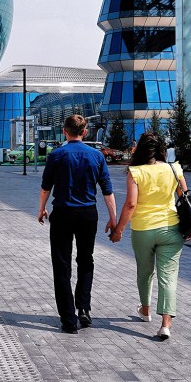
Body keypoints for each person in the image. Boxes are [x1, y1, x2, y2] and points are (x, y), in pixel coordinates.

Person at [38, 114, 116, 334]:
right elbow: (107, 191)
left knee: (61, 265)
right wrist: (113, 218)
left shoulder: (56, 155)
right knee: (85, 260)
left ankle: (68, 319)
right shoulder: (97, 156)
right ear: (85, 132)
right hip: (87, 215)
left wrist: (42, 208)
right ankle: (83, 308)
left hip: (62, 214)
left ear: (65, 131)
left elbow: (46, 187)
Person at [109, 132, 191, 341]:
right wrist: (188, 228)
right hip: (171, 229)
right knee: (168, 276)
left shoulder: (135, 172)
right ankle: (165, 324)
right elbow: (186, 202)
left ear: (140, 150)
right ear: (161, 150)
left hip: (143, 229)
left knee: (145, 271)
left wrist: (119, 230)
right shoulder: (175, 169)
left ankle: (145, 310)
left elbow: (131, 204)